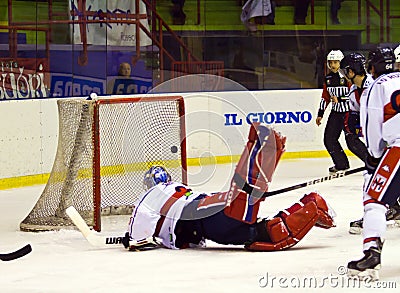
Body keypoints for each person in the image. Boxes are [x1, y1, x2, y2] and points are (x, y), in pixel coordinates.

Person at [123, 123, 336, 251]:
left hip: (199, 214)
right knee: (257, 233)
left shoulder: (149, 196)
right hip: (206, 217)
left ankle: (261, 148)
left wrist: (129, 239)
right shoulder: (174, 188)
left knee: (238, 208)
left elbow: (137, 238)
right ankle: (311, 205)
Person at [346, 47, 400, 281]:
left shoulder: (376, 86)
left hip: (397, 148)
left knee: (374, 198)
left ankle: (372, 255)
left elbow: (373, 126)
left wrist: (374, 157)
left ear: (372, 66)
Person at [316, 49, 351, 174]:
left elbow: (354, 95)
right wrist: (320, 114)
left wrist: (340, 98)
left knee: (352, 141)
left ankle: (370, 162)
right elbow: (325, 97)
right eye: (330, 62)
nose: (332, 65)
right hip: (335, 113)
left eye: (335, 62)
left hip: (348, 113)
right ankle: (341, 164)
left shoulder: (348, 77)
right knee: (329, 139)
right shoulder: (328, 78)